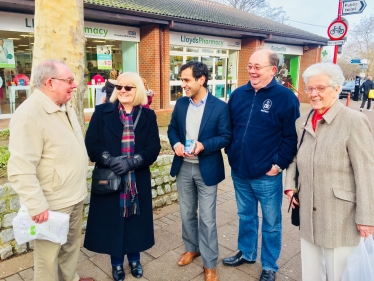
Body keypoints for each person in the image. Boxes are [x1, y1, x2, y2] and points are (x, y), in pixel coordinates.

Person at [285, 63, 374, 281]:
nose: (314, 94)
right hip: (308, 211)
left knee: (339, 273)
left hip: (340, 216)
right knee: (311, 271)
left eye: (320, 88)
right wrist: (289, 184)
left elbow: (365, 171)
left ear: (336, 89)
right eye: (310, 89)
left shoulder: (354, 121)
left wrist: (366, 217)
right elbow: (296, 156)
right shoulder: (302, 121)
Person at [7, 59, 93, 281]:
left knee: (71, 246)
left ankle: (69, 278)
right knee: (47, 257)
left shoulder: (64, 105)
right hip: (51, 203)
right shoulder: (29, 115)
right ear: (50, 83)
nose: (74, 85)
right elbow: (20, 167)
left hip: (73, 195)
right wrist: (36, 204)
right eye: (69, 81)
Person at [223, 49, 300, 281]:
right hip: (239, 171)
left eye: (258, 66)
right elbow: (229, 129)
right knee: (246, 215)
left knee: (272, 222)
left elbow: (291, 137)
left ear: (273, 70)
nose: (252, 71)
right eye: (249, 66)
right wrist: (232, 154)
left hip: (267, 175)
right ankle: (247, 253)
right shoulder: (238, 94)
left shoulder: (286, 98)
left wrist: (277, 165)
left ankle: (269, 265)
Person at [84, 72, 161, 281]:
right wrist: (109, 159)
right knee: (113, 221)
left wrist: (133, 161)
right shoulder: (101, 112)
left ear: (138, 91)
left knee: (135, 221)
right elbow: (91, 143)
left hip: (136, 180)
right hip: (110, 177)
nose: (122, 91)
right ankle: (116, 264)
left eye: (128, 88)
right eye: (119, 87)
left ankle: (135, 260)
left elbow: (154, 148)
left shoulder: (148, 116)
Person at [167, 61, 232, 281]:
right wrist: (175, 143)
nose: (182, 84)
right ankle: (192, 248)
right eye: (182, 79)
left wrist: (204, 145)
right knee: (186, 214)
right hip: (184, 167)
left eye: (186, 80)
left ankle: (210, 263)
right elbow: (172, 129)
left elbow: (225, 136)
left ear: (201, 79)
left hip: (207, 169)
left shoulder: (220, 106)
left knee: (207, 219)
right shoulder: (181, 104)